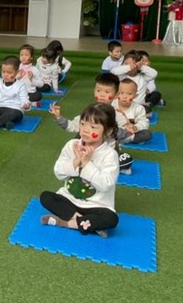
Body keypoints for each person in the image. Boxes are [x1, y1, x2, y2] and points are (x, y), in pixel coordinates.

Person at [39, 103, 121, 237]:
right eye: (83, 124)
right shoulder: (71, 145)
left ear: (108, 131)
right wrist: (76, 161)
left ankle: (65, 223)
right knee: (46, 197)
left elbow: (106, 184)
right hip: (69, 199)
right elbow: (59, 173)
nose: (85, 130)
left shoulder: (110, 155)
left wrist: (87, 163)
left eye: (93, 127)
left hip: (96, 205)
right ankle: (86, 224)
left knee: (111, 219)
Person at [50, 72, 134, 174]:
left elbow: (126, 133)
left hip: (106, 152)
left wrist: (125, 130)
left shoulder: (118, 115)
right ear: (94, 91)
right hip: (87, 150)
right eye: (98, 90)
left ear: (116, 95)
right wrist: (59, 118)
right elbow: (73, 126)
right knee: (76, 146)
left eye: (107, 92)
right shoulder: (89, 113)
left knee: (124, 159)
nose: (102, 95)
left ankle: (115, 166)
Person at [112, 78, 152, 146]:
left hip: (130, 133)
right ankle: (124, 139)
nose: (124, 96)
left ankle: (124, 139)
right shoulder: (112, 104)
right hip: (115, 131)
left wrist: (135, 127)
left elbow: (144, 123)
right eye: (121, 93)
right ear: (117, 94)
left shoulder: (139, 108)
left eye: (129, 94)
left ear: (135, 96)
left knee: (147, 134)